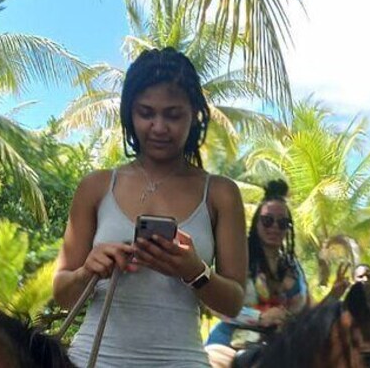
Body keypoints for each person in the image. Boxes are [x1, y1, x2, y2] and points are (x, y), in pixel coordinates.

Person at [53, 47, 248, 368]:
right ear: (129, 113)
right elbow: (62, 294)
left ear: (194, 115)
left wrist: (194, 271)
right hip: (96, 358)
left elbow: (232, 304)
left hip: (180, 360)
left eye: (173, 115)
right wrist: (89, 270)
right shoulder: (96, 187)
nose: (159, 127)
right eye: (146, 113)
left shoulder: (221, 194)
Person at [204, 180, 348, 367]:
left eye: (282, 223)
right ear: (257, 222)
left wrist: (333, 295)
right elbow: (214, 303)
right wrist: (259, 318)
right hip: (230, 345)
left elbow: (307, 315)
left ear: (288, 228)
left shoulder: (293, 267)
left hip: (283, 347)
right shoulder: (238, 257)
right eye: (267, 220)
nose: (274, 227)